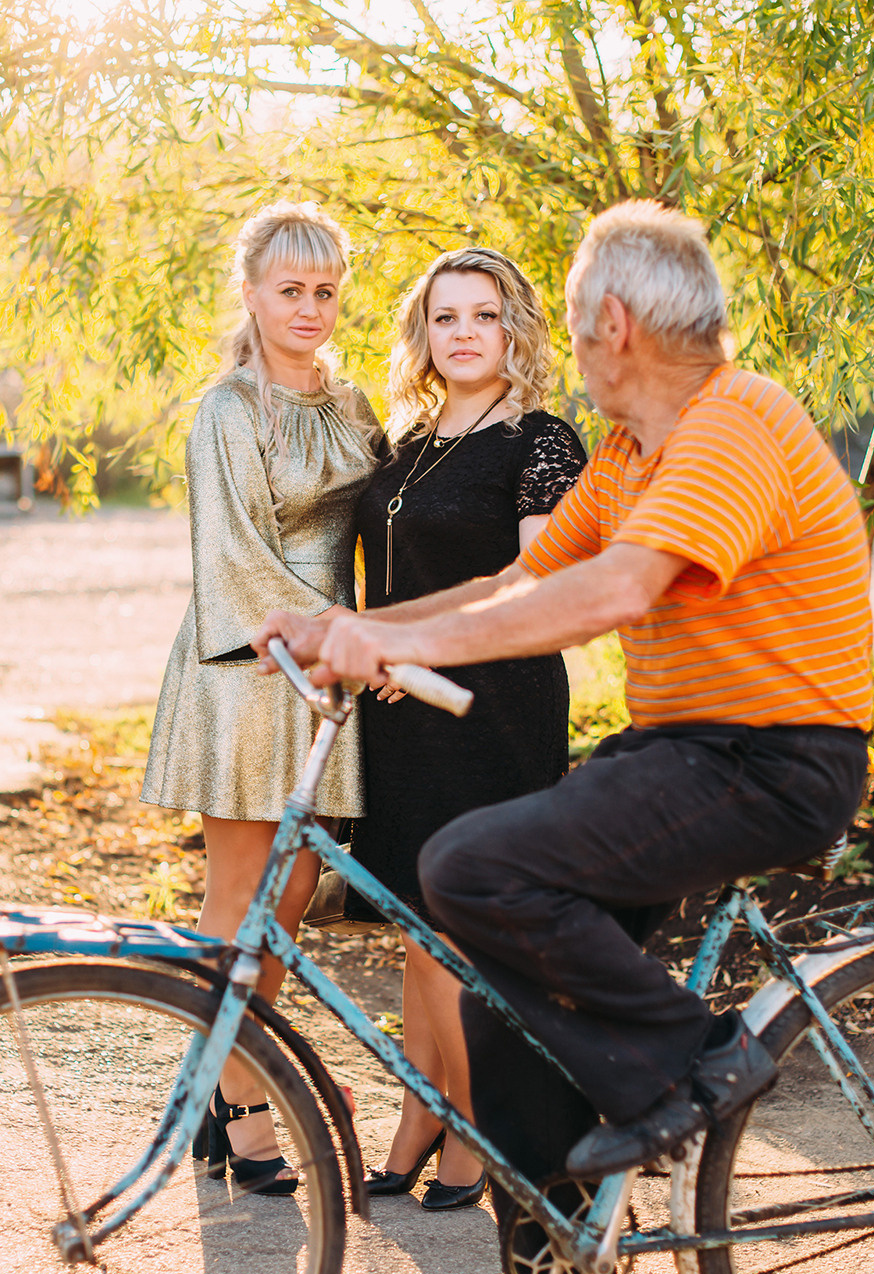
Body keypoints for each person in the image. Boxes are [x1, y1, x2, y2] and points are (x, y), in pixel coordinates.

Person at [255, 200, 872, 1274]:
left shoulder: (729, 422)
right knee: (504, 1005)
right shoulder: (634, 451)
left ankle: (700, 1056)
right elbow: (515, 579)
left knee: (471, 863)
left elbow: (606, 595)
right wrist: (348, 626)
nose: (569, 342)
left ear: (615, 323)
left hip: (776, 757)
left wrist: (392, 643)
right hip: (681, 751)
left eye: (575, 318)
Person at [139, 200, 382, 1196]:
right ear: (249, 294)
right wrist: (336, 635)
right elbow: (231, 559)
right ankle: (239, 1103)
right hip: (246, 667)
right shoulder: (226, 411)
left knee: (289, 903)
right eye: (290, 291)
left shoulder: (356, 405)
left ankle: (226, 1074)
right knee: (239, 901)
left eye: (325, 292)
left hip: (327, 674)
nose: (310, 309)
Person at [350, 248, 585, 1212]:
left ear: (513, 328)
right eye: (444, 317)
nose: (462, 333)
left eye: (482, 316)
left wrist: (431, 657)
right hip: (400, 707)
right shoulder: (407, 439)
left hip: (490, 704)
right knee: (412, 924)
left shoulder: (542, 440)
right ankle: (419, 1112)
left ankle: (477, 1131)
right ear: (424, 333)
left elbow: (537, 586)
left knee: (456, 932)